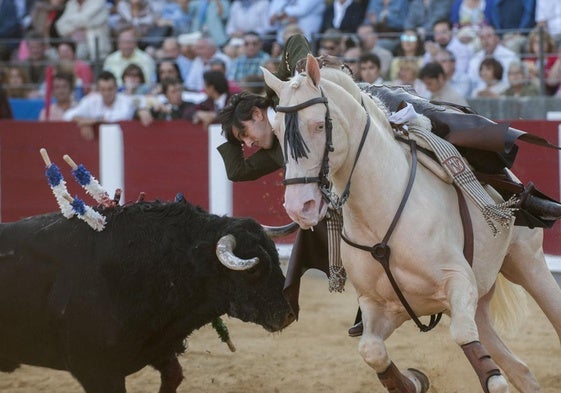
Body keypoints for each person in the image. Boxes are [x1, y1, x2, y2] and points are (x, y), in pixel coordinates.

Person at [63, 71, 137, 140]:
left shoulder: (126, 101)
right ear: (98, 89)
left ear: (116, 88)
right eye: (103, 89)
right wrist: (84, 121)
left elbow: (117, 119)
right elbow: (67, 115)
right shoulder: (91, 100)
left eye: (110, 89)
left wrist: (92, 122)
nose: (106, 93)